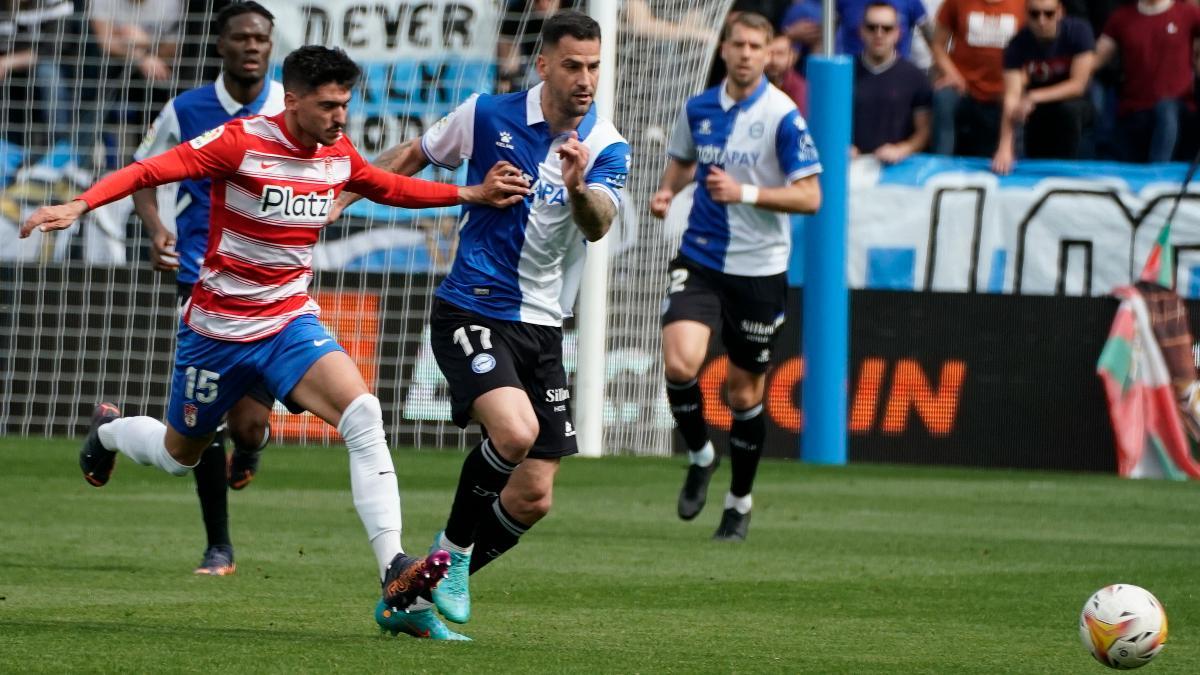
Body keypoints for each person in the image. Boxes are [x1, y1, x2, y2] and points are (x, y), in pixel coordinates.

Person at [19, 45, 528, 637]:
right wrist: (78, 204)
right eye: (329, 105)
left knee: (363, 413)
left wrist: (469, 194)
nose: (341, 118)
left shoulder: (337, 151)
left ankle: (395, 567)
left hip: (288, 322)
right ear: (293, 99)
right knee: (177, 456)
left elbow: (387, 187)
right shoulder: (240, 141)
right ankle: (108, 430)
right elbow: (152, 169)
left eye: (346, 104)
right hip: (216, 333)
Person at [329, 10, 629, 638]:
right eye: (572, 65)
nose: (584, 79)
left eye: (593, 67)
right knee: (514, 433)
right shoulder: (486, 114)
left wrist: (575, 187)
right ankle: (455, 554)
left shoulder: (605, 145)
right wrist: (340, 198)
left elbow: (599, 222)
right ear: (543, 64)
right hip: (472, 307)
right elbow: (416, 152)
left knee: (532, 496)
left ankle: (418, 588)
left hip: (544, 329)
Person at [649, 12, 821, 541]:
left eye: (756, 46)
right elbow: (684, 160)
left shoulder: (783, 117)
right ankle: (701, 455)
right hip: (700, 257)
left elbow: (811, 197)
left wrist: (744, 192)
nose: (746, 53)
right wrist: (667, 189)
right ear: (723, 49)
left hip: (759, 270)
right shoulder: (698, 108)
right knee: (680, 362)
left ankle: (739, 502)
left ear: (769, 54)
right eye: (738, 44)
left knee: (742, 396)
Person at [127, 1, 282, 576]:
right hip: (202, 278)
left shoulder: (291, 110)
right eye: (240, 37)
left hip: (271, 284)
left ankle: (250, 447)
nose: (251, 46)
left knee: (250, 425)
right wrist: (157, 228)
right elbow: (143, 172)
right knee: (207, 414)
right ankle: (219, 546)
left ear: (271, 46)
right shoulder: (186, 109)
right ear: (220, 45)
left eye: (260, 38)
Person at [991, 0, 1094, 174]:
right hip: (1037, 110)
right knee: (1034, 153)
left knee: (1069, 111)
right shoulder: (1017, 43)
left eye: (1048, 14)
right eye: (1034, 14)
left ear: (1060, 12)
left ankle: (1069, 172)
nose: (1041, 20)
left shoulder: (1078, 31)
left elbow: (1078, 85)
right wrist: (1004, 147)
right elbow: (1011, 95)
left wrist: (1033, 96)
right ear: (1026, 14)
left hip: (1077, 106)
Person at [1095, 0, 1200, 163]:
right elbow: (1093, 60)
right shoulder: (1121, 18)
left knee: (1166, 109)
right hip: (1135, 114)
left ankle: (1158, 174)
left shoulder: (1188, 13)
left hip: (1180, 112)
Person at [930, 0, 1025, 156]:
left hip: (1006, 91)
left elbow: (1033, 46)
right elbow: (938, 45)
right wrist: (953, 74)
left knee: (1019, 108)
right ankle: (940, 163)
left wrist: (1019, 83)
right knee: (943, 98)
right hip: (964, 88)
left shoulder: (1023, 4)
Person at [852, 1, 933, 163]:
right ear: (862, 31)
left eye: (887, 28)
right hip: (852, 167)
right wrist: (841, 146)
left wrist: (903, 149)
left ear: (897, 33)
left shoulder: (915, 77)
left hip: (898, 171)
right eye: (872, 27)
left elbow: (924, 131)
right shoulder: (844, 74)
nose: (879, 34)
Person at [765, 34, 808, 114]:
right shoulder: (757, 82)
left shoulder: (799, 88)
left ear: (792, 57)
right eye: (769, 53)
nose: (774, 60)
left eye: (780, 54)